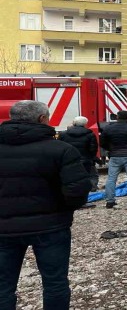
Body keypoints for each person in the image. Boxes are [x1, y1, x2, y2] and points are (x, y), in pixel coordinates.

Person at [0, 101, 91, 310]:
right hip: (51, 227)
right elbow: (77, 190)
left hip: (3, 229)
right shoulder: (61, 149)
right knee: (55, 283)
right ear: (42, 119)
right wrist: (63, 209)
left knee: (3, 286)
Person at [100, 110, 127, 209]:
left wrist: (110, 149)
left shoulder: (108, 128)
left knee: (111, 178)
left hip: (115, 155)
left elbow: (102, 143)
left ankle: (110, 201)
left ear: (117, 117)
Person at [59, 116, 100, 193]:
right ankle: (91, 189)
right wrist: (92, 158)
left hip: (69, 160)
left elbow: (60, 147)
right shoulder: (90, 134)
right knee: (90, 175)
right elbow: (93, 149)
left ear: (74, 123)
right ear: (85, 124)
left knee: (72, 177)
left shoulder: (63, 134)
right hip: (86, 160)